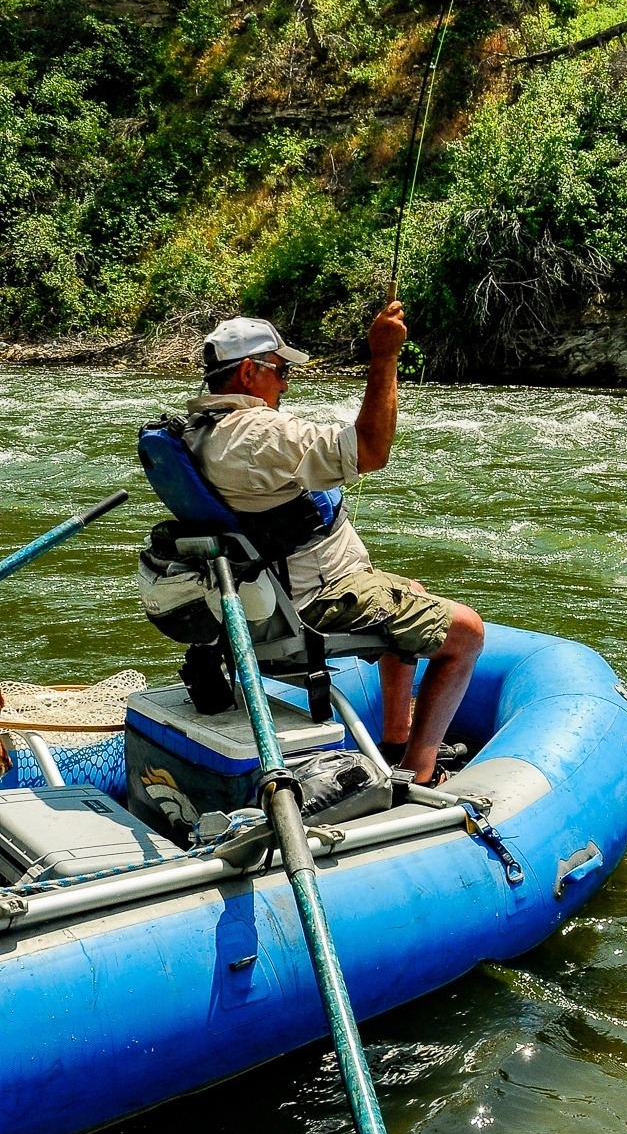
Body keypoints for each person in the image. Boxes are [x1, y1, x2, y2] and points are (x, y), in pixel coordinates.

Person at [186, 299, 483, 785]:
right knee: (467, 633)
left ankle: (394, 740)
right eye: (280, 370)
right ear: (247, 373)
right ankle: (421, 772)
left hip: (262, 599)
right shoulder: (259, 435)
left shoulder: (199, 431)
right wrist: (384, 357)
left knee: (412, 590)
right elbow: (370, 449)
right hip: (313, 602)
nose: (285, 383)